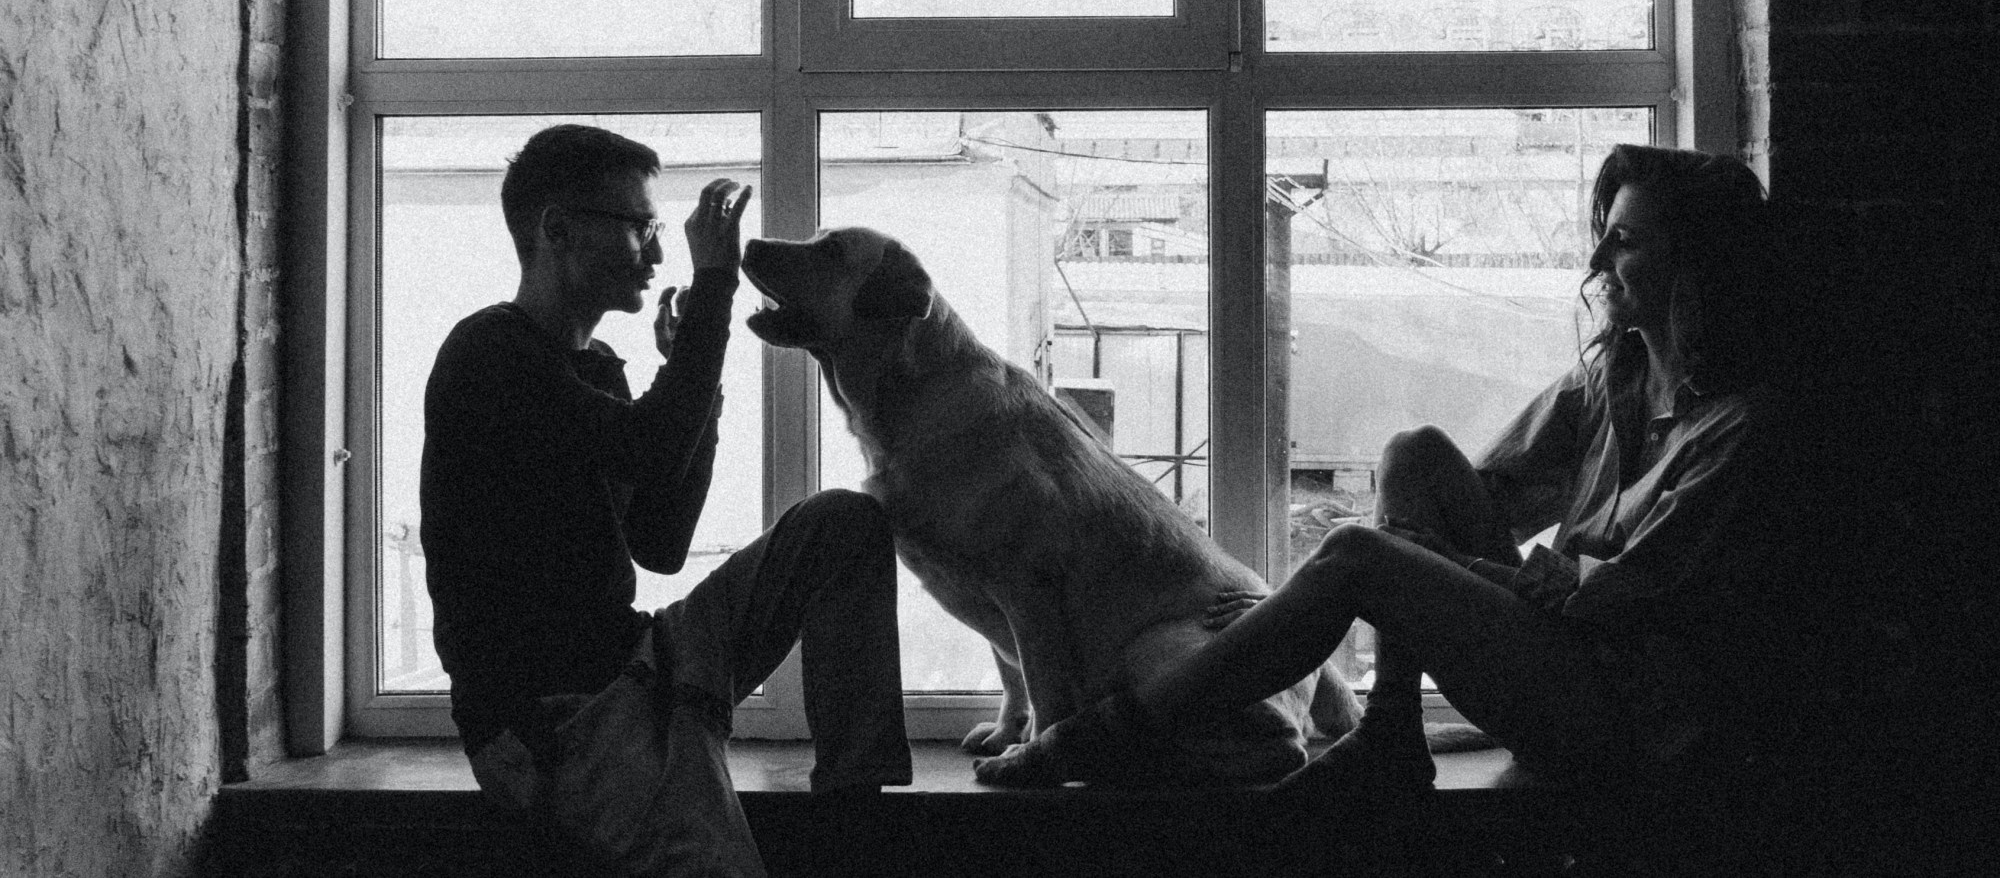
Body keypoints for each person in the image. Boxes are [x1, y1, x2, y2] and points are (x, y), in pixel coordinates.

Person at [975, 144, 1778, 799]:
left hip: (1622, 718)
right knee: (1412, 453)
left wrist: (1387, 572)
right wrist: (1361, 581)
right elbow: (1476, 499)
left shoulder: (1737, 428)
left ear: (1691, 264)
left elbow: (1613, 602)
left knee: (1360, 558)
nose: (1599, 257)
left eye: (1626, 241)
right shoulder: (1613, 377)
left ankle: (1094, 738)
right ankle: (1392, 726)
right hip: (1550, 652)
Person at [420, 124, 910, 874]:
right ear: (557, 228)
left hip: (648, 659)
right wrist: (714, 284)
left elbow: (660, 541)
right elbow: (649, 446)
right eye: (640, 228)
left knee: (844, 522)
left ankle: (853, 821)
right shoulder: (489, 352)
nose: (654, 255)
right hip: (566, 720)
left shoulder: (597, 367)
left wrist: (696, 381)